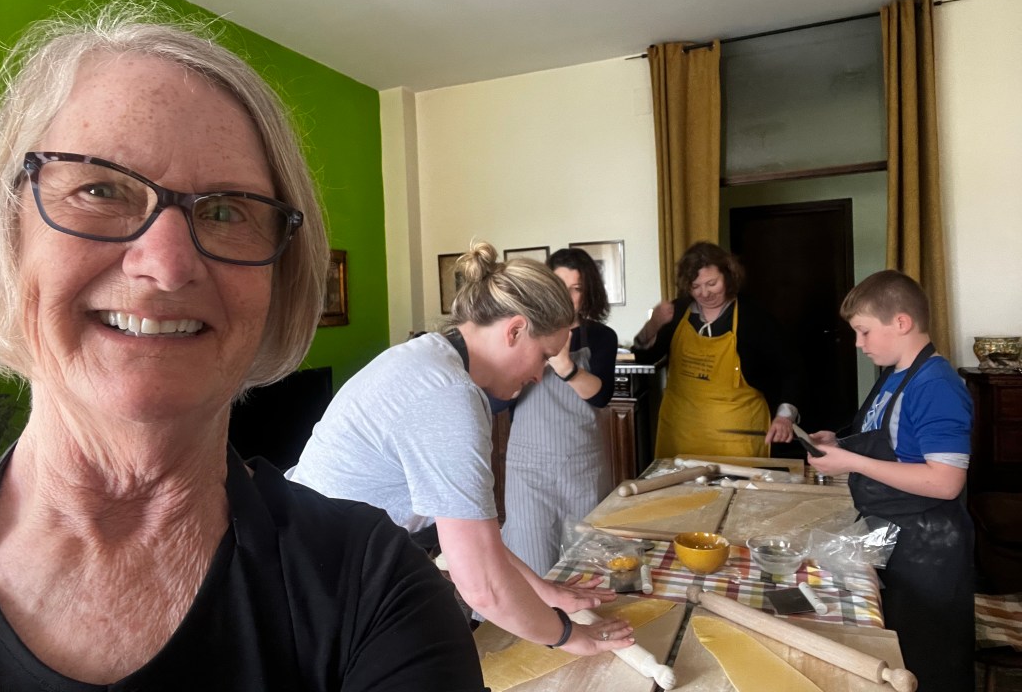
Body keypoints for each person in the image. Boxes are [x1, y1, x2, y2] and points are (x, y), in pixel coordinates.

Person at [0, 0, 485, 690]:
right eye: (101, 189)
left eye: (227, 210)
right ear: (10, 233)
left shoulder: (375, 587)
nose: (168, 266)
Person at [288, 242, 635, 655]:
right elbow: (482, 586)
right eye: (544, 356)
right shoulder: (448, 396)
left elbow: (475, 540)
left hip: (328, 556)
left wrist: (544, 591)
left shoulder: (432, 358)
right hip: (318, 578)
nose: (540, 375)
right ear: (515, 330)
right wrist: (571, 636)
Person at [794, 270, 974, 691]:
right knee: (897, 651)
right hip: (896, 534)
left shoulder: (936, 385)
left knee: (928, 660)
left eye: (864, 331)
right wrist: (838, 443)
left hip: (929, 545)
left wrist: (851, 461)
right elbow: (893, 442)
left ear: (901, 322)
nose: (859, 344)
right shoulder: (894, 376)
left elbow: (946, 481)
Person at [501, 248, 619, 576]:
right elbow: (501, 397)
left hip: (583, 468)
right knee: (532, 565)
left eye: (575, 288)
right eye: (558, 286)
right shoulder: (522, 333)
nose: (566, 297)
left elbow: (601, 396)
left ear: (588, 292)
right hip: (529, 471)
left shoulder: (601, 336)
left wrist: (567, 367)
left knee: (587, 567)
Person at [632, 241, 800, 458]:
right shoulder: (677, 311)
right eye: (695, 286)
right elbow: (643, 358)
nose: (704, 293)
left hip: (737, 436)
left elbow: (792, 370)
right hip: (681, 433)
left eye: (712, 283)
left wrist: (785, 416)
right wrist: (653, 325)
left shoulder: (754, 317)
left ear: (728, 276)